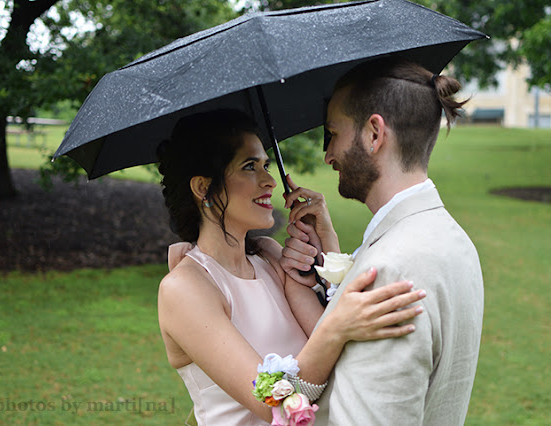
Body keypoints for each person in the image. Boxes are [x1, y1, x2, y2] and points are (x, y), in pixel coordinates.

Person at [156, 109, 427, 425]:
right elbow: (275, 403)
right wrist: (337, 326)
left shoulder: (269, 256)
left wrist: (327, 245)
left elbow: (348, 356)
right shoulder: (184, 289)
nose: (269, 181)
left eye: (266, 165)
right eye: (249, 167)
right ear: (203, 187)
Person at [280, 60, 484, 425]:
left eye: (333, 134)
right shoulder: (454, 239)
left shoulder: (391, 269)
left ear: (374, 133)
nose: (328, 155)